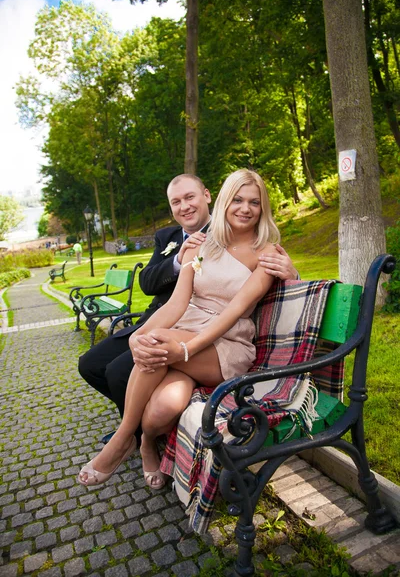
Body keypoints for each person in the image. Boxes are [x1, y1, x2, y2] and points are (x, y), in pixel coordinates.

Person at [77, 169, 290, 489]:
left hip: (225, 343)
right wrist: (137, 336)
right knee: (166, 405)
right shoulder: (202, 245)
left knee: (159, 342)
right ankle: (146, 442)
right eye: (237, 200)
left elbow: (233, 312)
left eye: (254, 202)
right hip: (186, 329)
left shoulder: (266, 252)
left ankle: (121, 440)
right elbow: (177, 303)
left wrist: (186, 348)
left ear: (263, 208)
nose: (245, 208)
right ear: (223, 201)